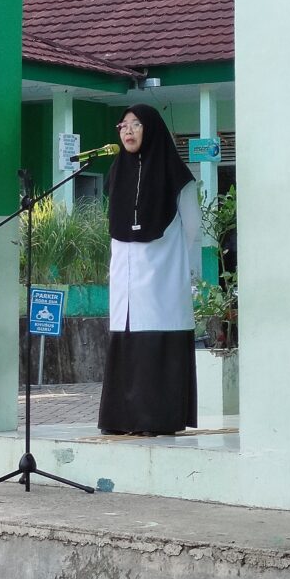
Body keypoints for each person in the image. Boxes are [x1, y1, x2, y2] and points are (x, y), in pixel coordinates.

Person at [98, 105, 201, 436]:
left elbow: (192, 227)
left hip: (162, 274)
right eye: (123, 125)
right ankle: (122, 418)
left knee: (155, 340)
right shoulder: (117, 172)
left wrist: (171, 260)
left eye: (136, 124)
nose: (128, 131)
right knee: (127, 339)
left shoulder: (177, 175)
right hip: (124, 275)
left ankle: (156, 419)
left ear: (152, 129)